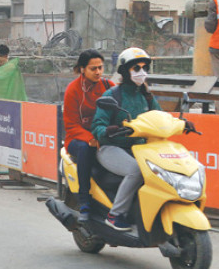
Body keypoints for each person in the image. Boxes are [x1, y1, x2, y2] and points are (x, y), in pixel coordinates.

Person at [90, 47, 163, 231]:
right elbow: (97, 126)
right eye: (136, 68)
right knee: (136, 171)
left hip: (140, 149)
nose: (141, 73)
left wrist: (182, 123)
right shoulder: (112, 96)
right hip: (111, 148)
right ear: (124, 71)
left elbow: (161, 118)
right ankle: (115, 215)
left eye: (144, 68)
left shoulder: (146, 97)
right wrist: (109, 130)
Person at [62, 50, 114, 221]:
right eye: (93, 68)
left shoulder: (109, 87)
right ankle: (84, 200)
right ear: (83, 69)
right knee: (85, 148)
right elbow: (71, 125)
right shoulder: (73, 90)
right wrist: (90, 138)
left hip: (104, 136)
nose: (98, 72)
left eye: (100, 67)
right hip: (78, 139)